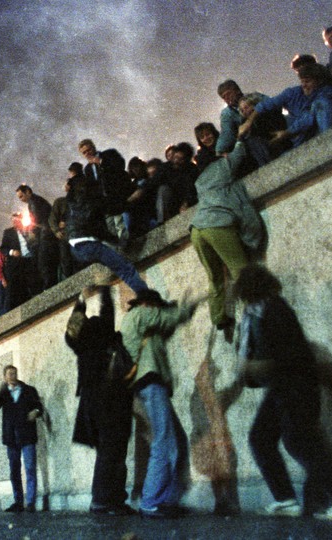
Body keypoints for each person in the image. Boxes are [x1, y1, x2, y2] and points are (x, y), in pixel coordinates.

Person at [233, 264, 332, 520]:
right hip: (280, 387)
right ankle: (286, 500)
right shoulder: (257, 313)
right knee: (261, 438)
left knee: (299, 440)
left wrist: (249, 366)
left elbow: (287, 357)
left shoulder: (274, 310)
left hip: (296, 385)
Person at [122, 289, 203, 519]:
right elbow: (167, 318)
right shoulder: (141, 313)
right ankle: (151, 501)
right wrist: (186, 308)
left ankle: (167, 499)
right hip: (151, 383)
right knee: (165, 441)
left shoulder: (144, 325)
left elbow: (167, 326)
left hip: (151, 385)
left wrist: (181, 312)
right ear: (149, 304)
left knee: (177, 440)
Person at [64, 284, 134, 515]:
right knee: (114, 451)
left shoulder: (79, 344)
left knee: (107, 451)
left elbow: (72, 326)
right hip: (111, 397)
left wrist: (81, 300)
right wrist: (104, 290)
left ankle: (105, 499)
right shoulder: (104, 335)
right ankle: (108, 500)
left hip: (91, 401)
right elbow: (107, 313)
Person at [189, 139, 265, 342]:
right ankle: (256, 308)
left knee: (214, 277)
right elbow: (240, 153)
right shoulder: (222, 166)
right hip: (217, 224)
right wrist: (239, 139)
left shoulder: (199, 181)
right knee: (240, 269)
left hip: (197, 230)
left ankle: (219, 317)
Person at [65, 174, 149, 294]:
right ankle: (149, 299)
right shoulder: (93, 198)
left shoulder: (71, 201)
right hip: (89, 244)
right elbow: (113, 210)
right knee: (125, 269)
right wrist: (132, 199)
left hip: (75, 249)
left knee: (106, 268)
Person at [239, 64, 332, 149]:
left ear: (318, 82)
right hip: (298, 139)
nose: (304, 85)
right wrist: (249, 122)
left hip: (315, 132)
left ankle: (328, 141)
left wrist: (287, 133)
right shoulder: (293, 93)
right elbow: (268, 103)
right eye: (302, 82)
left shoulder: (325, 93)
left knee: (322, 103)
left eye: (307, 81)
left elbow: (308, 119)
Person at [0, 365, 43, 512]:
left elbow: (40, 407)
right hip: (11, 437)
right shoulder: (3, 393)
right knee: (14, 470)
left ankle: (30, 502)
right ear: (5, 377)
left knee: (30, 468)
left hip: (27, 435)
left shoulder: (29, 390)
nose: (12, 376)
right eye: (9, 374)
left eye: (14, 373)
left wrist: (36, 412)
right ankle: (18, 501)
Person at [78, 139, 135, 244]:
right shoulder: (87, 169)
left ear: (93, 147)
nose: (87, 154)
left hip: (118, 196)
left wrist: (100, 162)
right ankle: (120, 246)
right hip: (105, 203)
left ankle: (127, 244)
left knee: (121, 224)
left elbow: (120, 165)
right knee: (111, 227)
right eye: (84, 152)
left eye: (88, 150)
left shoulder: (109, 154)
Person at [16, 184, 58, 289]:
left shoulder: (33, 202)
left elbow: (37, 220)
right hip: (47, 233)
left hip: (46, 235)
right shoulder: (35, 201)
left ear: (28, 192)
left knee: (44, 263)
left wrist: (32, 231)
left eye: (21, 196)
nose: (21, 199)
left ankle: (50, 288)